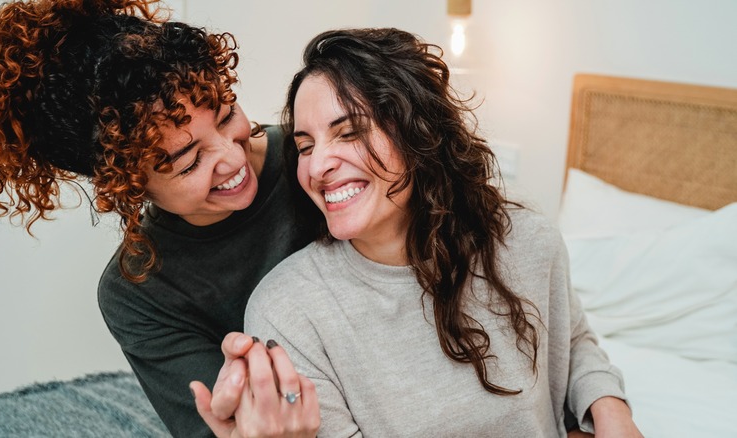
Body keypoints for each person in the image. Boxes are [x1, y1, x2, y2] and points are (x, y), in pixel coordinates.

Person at [205, 28, 644, 437]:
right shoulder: (288, 313)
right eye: (305, 146)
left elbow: (571, 340)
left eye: (349, 132)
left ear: (419, 131)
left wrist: (611, 409)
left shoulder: (526, 238)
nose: (317, 166)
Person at [0, 1, 317, 436]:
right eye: (188, 162)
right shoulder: (137, 293)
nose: (232, 155)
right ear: (125, 184)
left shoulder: (315, 157)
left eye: (226, 116)